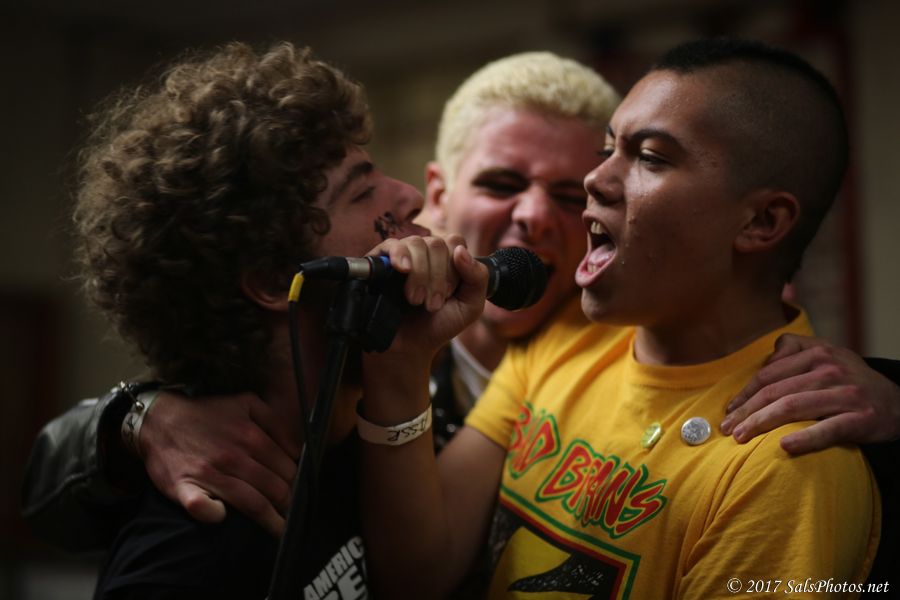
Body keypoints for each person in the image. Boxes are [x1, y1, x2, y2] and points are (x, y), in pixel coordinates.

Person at [22, 49, 900, 550]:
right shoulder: (328, 359)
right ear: (432, 198)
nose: (538, 217)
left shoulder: (625, 340)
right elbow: (39, 492)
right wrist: (129, 421)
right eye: (502, 183)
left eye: (570, 194)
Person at [357, 38, 882, 598]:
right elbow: (420, 570)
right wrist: (401, 360)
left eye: (650, 157)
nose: (594, 179)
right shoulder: (566, 335)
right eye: (608, 149)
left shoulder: (790, 464)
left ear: (762, 222)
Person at [55, 40, 467, 598]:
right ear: (276, 282)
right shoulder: (189, 545)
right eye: (363, 192)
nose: (410, 196)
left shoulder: (371, 442)